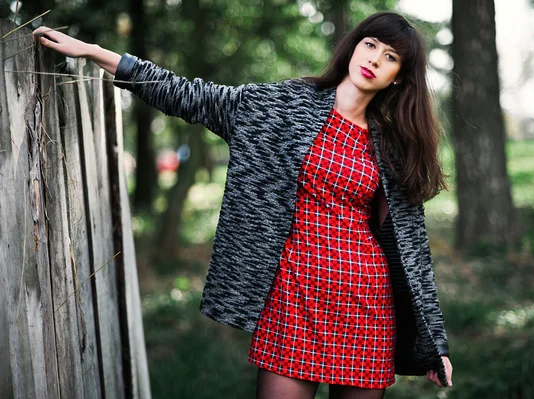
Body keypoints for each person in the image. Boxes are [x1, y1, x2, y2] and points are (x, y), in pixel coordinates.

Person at [35, 10, 453, 399]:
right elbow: (187, 95)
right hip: (292, 299)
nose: (375, 59)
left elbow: (411, 250)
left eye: (391, 56)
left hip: (364, 305)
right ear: (353, 46)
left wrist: (434, 343)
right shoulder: (279, 106)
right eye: (370, 44)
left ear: (398, 77)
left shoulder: (391, 146)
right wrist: (95, 53)